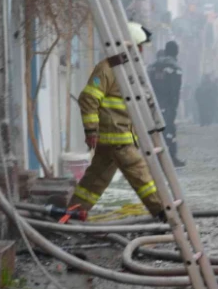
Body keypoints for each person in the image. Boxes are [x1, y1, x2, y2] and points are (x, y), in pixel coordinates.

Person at [69, 22, 164, 221]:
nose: (141, 52)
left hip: (117, 137)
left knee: (95, 179)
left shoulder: (128, 70)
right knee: (141, 175)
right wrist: (91, 131)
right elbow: (88, 99)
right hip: (117, 138)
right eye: (139, 47)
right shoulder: (107, 69)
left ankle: (74, 213)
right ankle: (163, 212)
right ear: (129, 46)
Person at [148, 41, 186, 168]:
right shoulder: (175, 68)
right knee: (169, 131)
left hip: (152, 103)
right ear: (176, 52)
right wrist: (174, 106)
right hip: (167, 105)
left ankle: (154, 157)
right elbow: (175, 90)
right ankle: (170, 158)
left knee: (153, 131)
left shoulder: (152, 66)